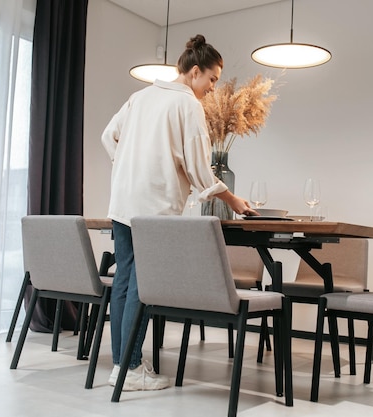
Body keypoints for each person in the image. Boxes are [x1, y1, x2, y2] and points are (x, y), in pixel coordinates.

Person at [101, 34, 257, 391]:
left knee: (124, 281)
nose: (213, 88)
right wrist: (232, 200)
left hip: (122, 201)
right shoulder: (188, 105)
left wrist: (127, 165)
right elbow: (200, 165)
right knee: (143, 286)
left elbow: (108, 137)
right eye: (213, 79)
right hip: (153, 208)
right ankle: (132, 369)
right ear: (195, 72)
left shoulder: (139, 97)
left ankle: (121, 367)